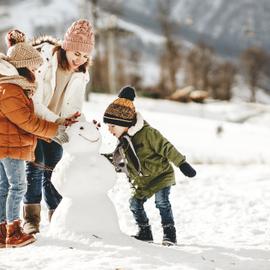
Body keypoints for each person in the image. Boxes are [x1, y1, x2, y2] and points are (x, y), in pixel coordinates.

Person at [13, 19, 95, 234]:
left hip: (56, 127)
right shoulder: (44, 61)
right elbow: (35, 102)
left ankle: (57, 216)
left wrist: (80, 123)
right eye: (76, 53)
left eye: (85, 55)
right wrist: (58, 121)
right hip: (32, 122)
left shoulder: (81, 74)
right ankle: (31, 218)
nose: (80, 59)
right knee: (36, 166)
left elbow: (74, 107)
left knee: (54, 168)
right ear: (66, 46)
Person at [103, 86, 196, 245]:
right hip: (143, 181)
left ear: (124, 122)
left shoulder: (148, 133)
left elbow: (166, 147)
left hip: (161, 176)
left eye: (112, 126)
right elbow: (118, 160)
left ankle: (169, 234)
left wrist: (182, 163)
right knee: (134, 204)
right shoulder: (124, 140)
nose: (109, 129)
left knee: (162, 203)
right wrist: (97, 160)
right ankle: (145, 231)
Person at [0, 40, 67, 248]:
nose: (36, 72)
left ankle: (3, 232)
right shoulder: (10, 89)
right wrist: (54, 130)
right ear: (22, 65)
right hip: (11, 147)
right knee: (18, 186)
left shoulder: (12, 86)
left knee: (4, 187)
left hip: (8, 144)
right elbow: (27, 121)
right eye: (33, 68)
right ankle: (14, 231)